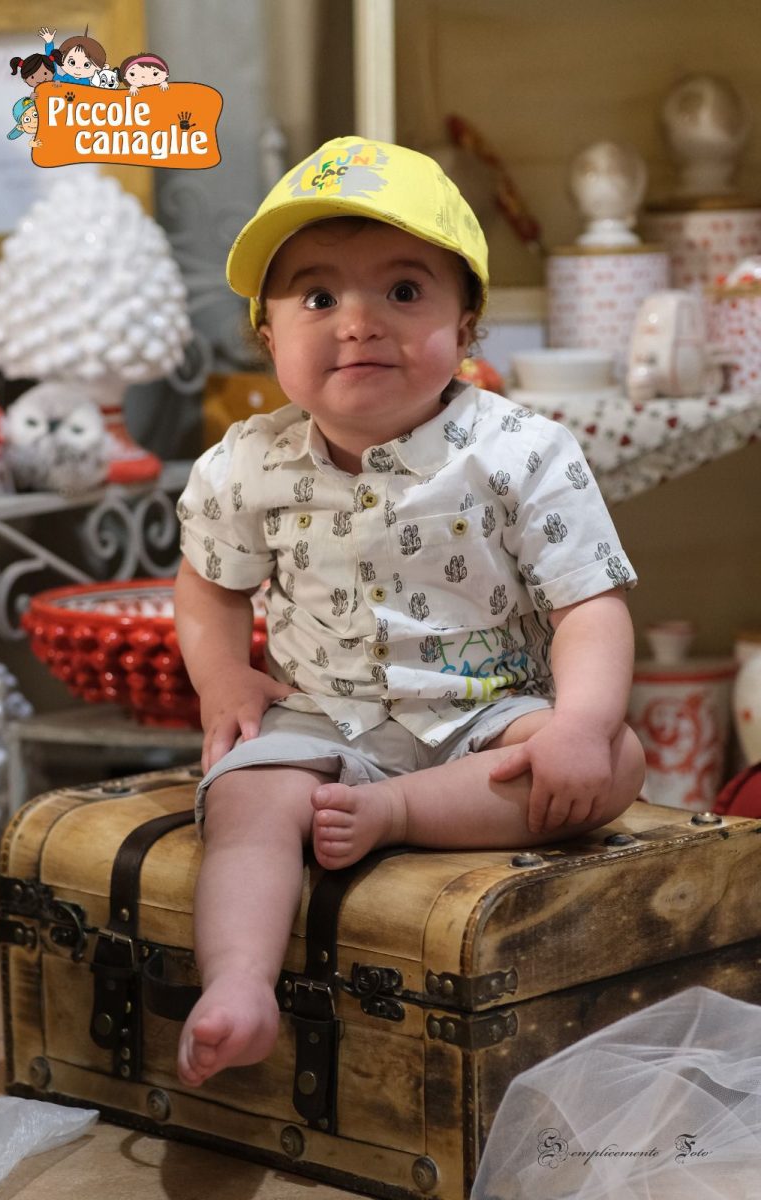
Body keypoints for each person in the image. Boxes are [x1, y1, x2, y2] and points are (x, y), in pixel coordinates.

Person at [174, 136, 645, 1087]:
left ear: (466, 326)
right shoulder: (248, 462)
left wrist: (582, 723)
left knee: (616, 759)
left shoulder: (521, 450)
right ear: (266, 335)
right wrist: (224, 678)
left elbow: (588, 602)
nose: (358, 324)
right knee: (243, 800)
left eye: (402, 291)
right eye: (317, 298)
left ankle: (395, 813)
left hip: (488, 713)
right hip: (322, 714)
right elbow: (210, 582)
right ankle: (238, 984)